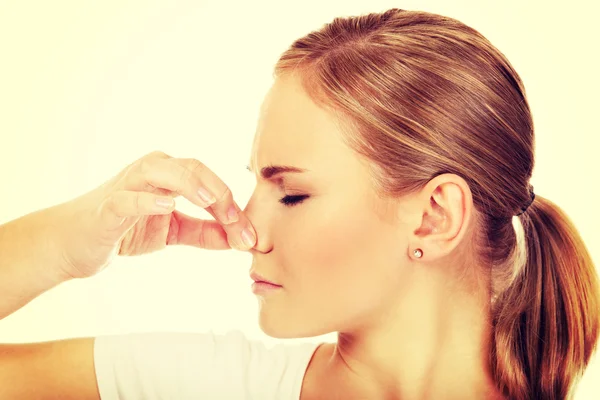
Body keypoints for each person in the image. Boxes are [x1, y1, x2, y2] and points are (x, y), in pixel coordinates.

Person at [0, 7, 598, 400]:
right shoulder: (213, 385)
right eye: (258, 185)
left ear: (435, 214)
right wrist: (64, 247)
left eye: (292, 193)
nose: (246, 228)